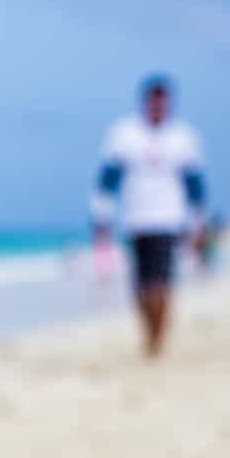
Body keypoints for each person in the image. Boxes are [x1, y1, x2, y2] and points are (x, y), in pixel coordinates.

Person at [91, 74, 206, 359]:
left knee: (162, 284)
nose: (157, 107)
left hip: (169, 220)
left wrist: (197, 223)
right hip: (135, 219)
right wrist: (101, 218)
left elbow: (195, 185)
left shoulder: (183, 138)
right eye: (153, 101)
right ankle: (149, 333)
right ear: (145, 102)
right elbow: (107, 180)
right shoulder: (124, 134)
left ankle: (157, 341)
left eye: (162, 102)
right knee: (140, 286)